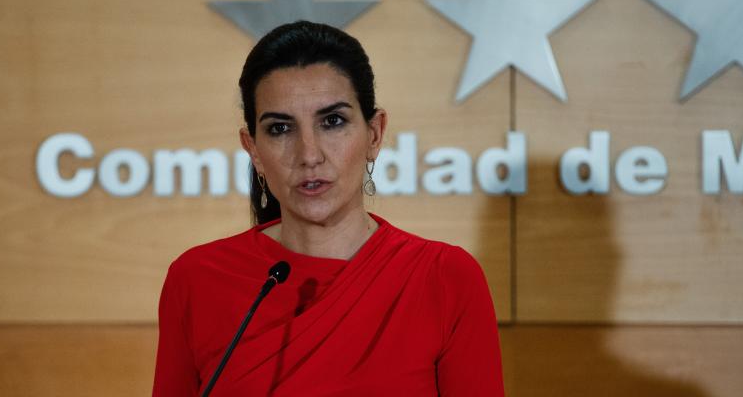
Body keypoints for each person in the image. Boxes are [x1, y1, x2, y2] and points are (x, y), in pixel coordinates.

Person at [152, 21, 505, 396]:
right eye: (279, 129)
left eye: (332, 121)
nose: (309, 154)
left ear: (374, 134)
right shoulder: (195, 280)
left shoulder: (445, 279)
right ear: (252, 149)